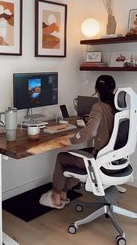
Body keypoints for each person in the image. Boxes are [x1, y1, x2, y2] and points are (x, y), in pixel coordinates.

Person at [39, 74, 117, 209]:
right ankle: (63, 194)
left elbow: (90, 132)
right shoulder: (120, 107)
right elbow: (136, 128)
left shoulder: (99, 107)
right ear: (114, 90)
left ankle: (56, 198)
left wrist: (72, 140)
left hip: (100, 158)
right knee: (79, 156)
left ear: (97, 91)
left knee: (62, 157)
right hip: (114, 158)